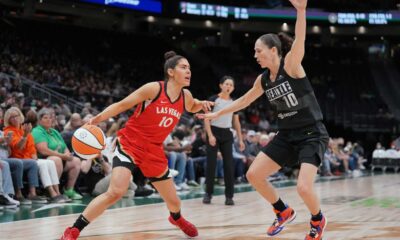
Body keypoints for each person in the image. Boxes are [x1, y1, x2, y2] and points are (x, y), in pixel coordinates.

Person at [198, 1, 329, 239]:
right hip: (287, 135)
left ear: (273, 50)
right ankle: (283, 211)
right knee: (253, 175)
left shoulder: (290, 65)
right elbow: (244, 101)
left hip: (311, 133)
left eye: (259, 50)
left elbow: (300, 40)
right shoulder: (263, 80)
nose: (255, 54)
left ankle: (318, 220)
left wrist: (301, 11)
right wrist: (217, 113)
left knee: (303, 187)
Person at [61, 51, 213, 240]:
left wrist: (202, 104)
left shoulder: (186, 96)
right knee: (116, 191)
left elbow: (193, 105)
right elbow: (121, 105)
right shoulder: (154, 89)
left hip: (154, 150)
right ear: (171, 72)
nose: (189, 71)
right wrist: (96, 119)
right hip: (131, 143)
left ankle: (176, 218)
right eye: (184, 67)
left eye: (189, 68)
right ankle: (73, 230)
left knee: (174, 201)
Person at [203, 76, 245, 205]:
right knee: (211, 164)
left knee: (228, 165)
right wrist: (210, 135)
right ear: (221, 85)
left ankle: (229, 197)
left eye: (231, 85)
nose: (228, 87)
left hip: (227, 134)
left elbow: (236, 121)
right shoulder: (213, 99)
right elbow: (206, 118)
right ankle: (208, 194)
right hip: (214, 132)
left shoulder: (234, 102)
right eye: (226, 84)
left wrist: (241, 139)